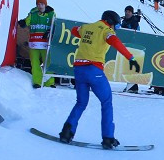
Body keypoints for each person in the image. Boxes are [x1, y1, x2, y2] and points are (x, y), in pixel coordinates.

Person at [59, 10, 141, 148]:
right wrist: (131, 58)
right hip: (94, 70)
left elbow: (74, 31)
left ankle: (66, 133)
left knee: (80, 103)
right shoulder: (106, 30)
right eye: (116, 26)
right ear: (110, 22)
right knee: (106, 101)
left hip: (79, 70)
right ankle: (108, 138)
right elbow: (115, 41)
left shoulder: (87, 27)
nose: (115, 29)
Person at [17, 0, 56, 88]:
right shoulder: (33, 13)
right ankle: (37, 82)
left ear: (45, 4)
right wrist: (23, 23)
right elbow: (27, 21)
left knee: (48, 64)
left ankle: (49, 82)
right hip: (34, 43)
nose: (40, 6)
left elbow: (55, 25)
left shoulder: (51, 14)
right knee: (35, 64)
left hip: (46, 44)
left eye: (42, 4)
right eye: (38, 4)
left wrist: (50, 32)